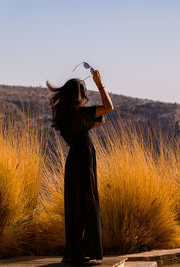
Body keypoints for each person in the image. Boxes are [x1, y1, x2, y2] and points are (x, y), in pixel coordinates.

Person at [47, 70, 114, 266]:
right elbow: (109, 107)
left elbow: (84, 129)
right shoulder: (81, 112)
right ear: (78, 93)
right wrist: (99, 83)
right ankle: (91, 253)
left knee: (76, 205)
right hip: (85, 160)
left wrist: (93, 120)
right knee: (89, 203)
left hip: (73, 161)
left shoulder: (65, 116)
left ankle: (77, 253)